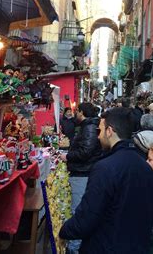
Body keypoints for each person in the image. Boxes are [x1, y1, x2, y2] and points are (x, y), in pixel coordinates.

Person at [59, 107, 153, 253]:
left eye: (100, 130)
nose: (98, 136)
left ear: (110, 131)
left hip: (105, 246)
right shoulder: (145, 167)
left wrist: (63, 231)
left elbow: (88, 216)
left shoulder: (105, 168)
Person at [60, 102, 103, 253]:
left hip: (82, 173)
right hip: (82, 172)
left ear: (81, 112)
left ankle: (75, 248)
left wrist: (68, 156)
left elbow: (85, 152)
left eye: (76, 111)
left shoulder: (89, 127)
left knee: (78, 210)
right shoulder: (88, 126)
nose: (74, 114)